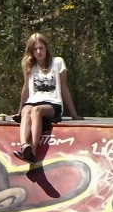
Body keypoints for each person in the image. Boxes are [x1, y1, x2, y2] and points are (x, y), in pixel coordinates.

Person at [15, 33, 82, 161]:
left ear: (46, 48)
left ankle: (33, 152)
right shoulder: (28, 64)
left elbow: (64, 87)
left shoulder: (58, 62)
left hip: (52, 103)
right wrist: (19, 111)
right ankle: (24, 146)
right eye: (35, 49)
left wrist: (74, 114)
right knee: (26, 110)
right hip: (34, 100)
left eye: (41, 48)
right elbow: (26, 88)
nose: (39, 52)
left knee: (36, 111)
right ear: (31, 51)